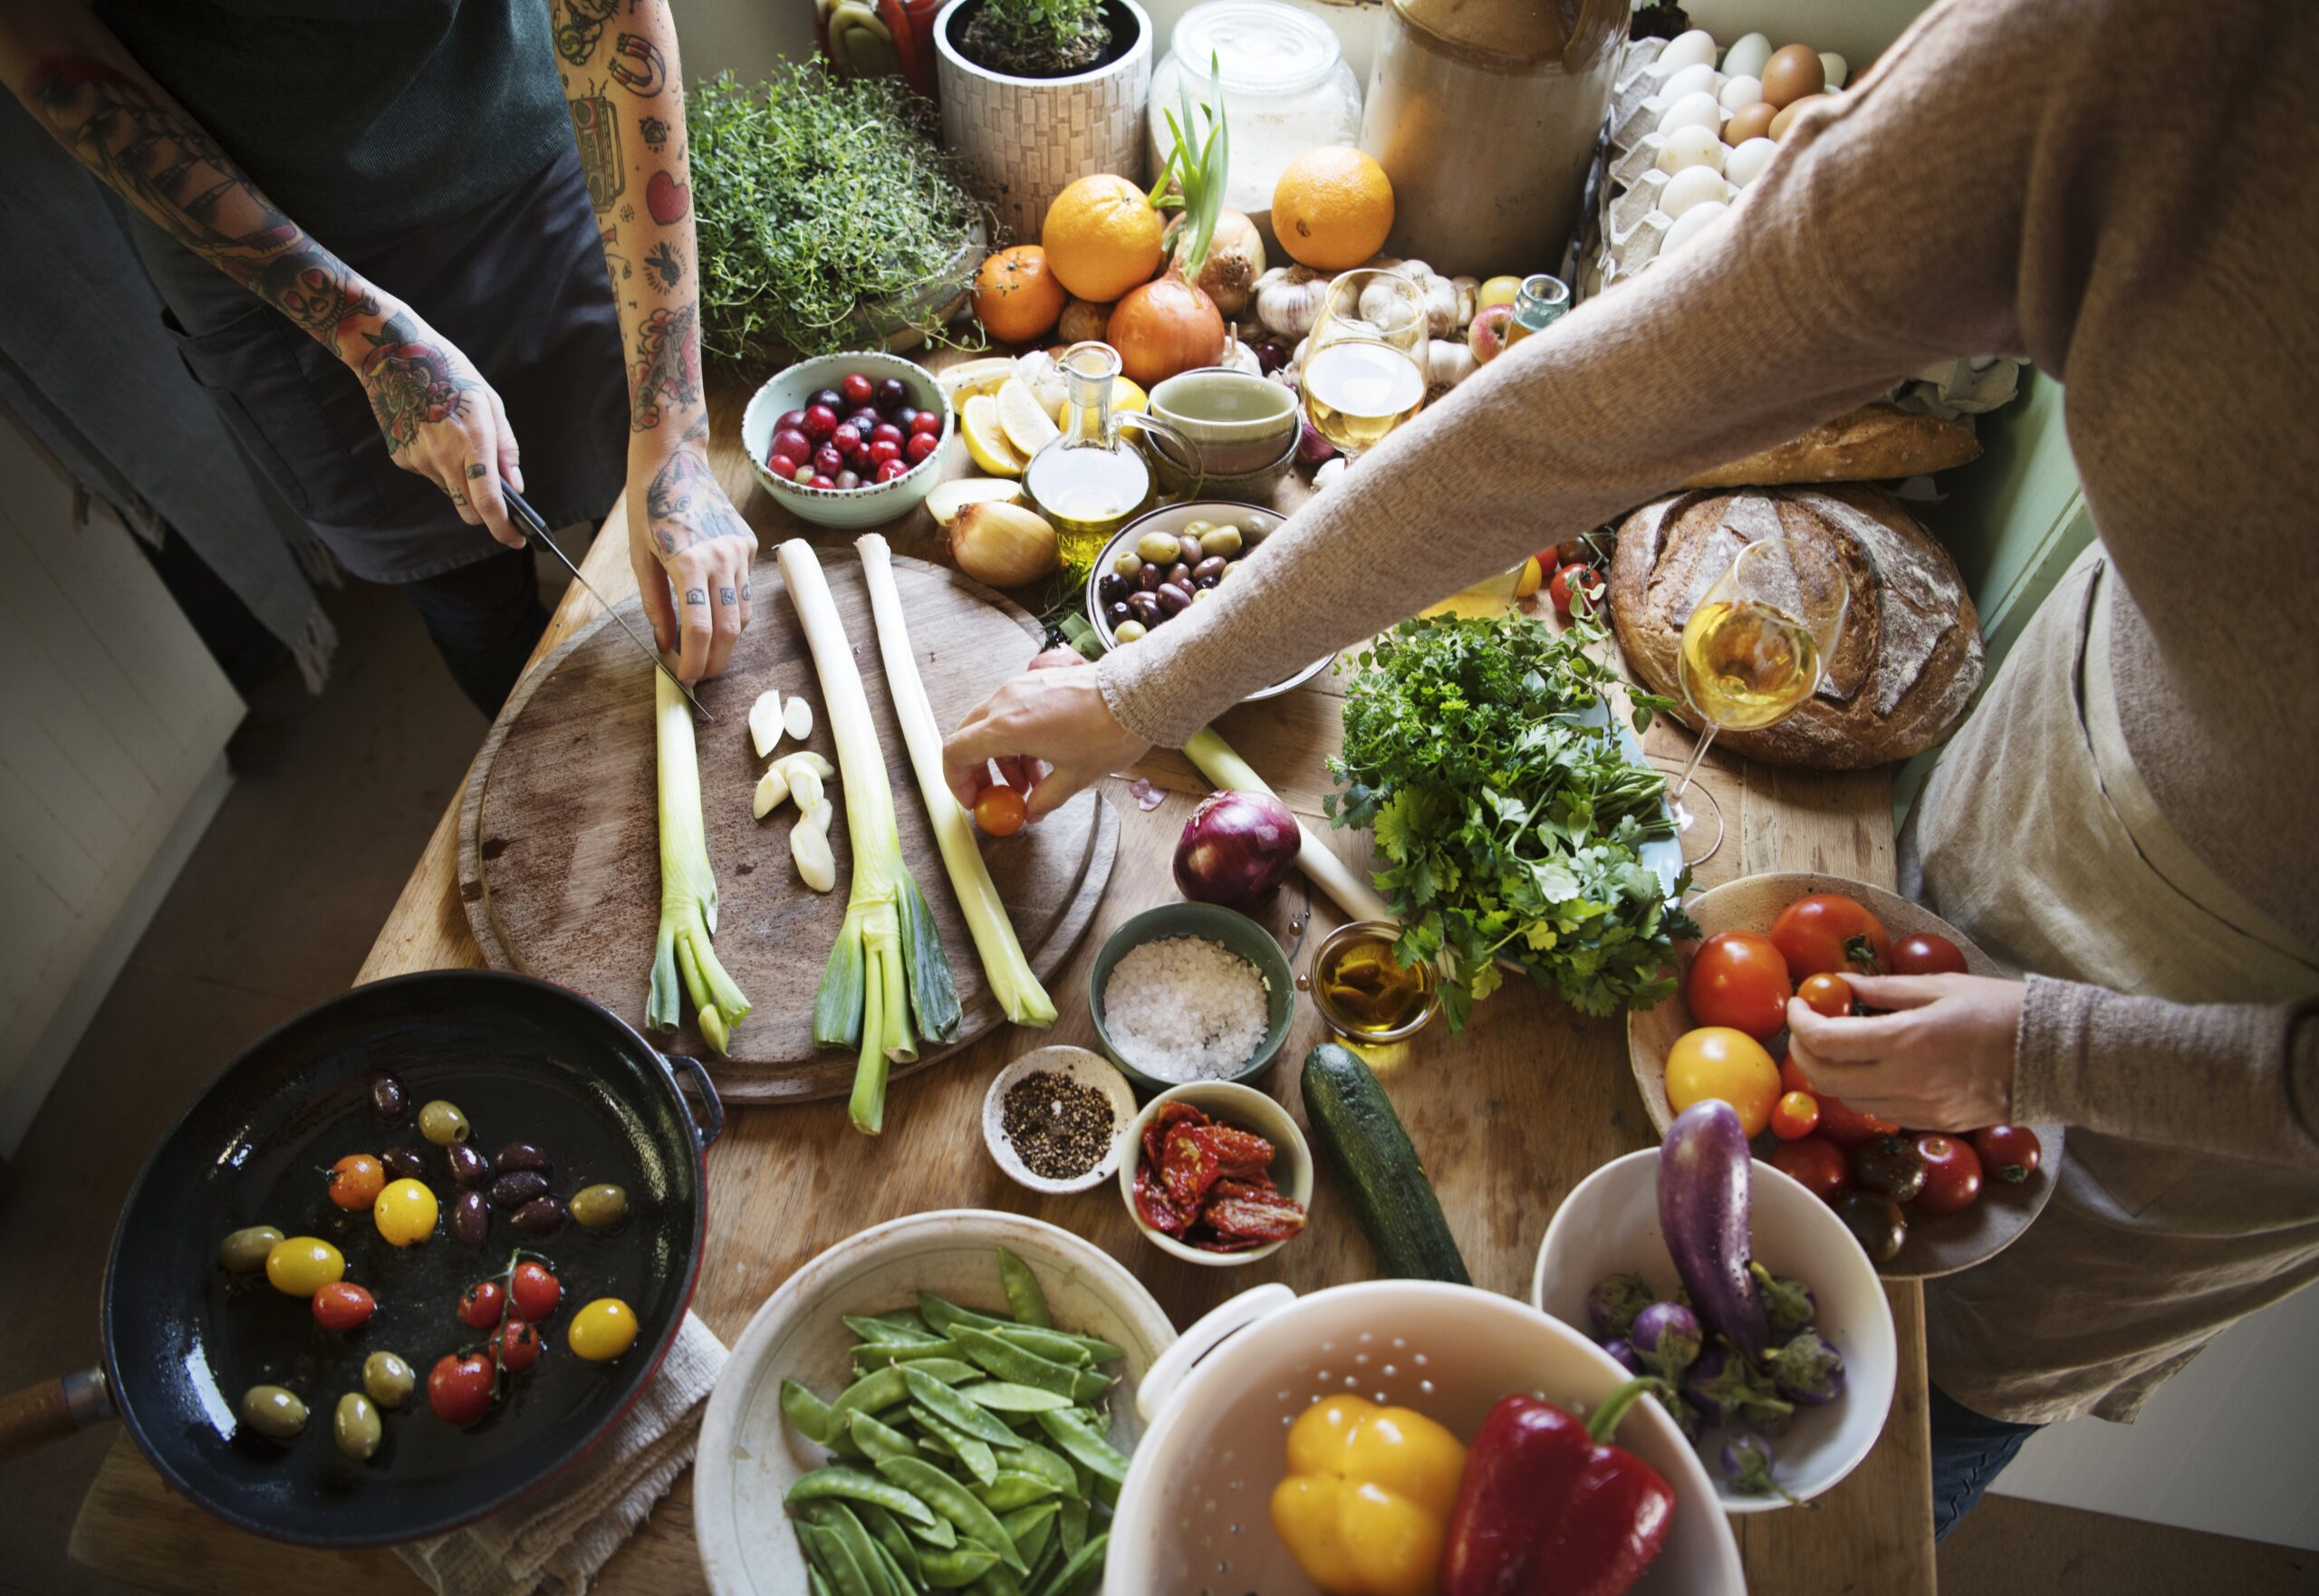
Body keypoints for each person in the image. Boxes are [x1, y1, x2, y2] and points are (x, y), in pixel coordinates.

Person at [942, 0, 2319, 1538]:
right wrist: (1146, 683)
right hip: (2055, 759)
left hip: (2235, 1071)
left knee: (1875, 1409)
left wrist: (2062, 1052)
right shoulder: (2157, 47)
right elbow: (1575, 418)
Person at [0, 0, 757, 715]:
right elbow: (46, 39)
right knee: (456, 567)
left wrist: (676, 432)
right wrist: (368, 337)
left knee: (626, 470)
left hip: (511, 144)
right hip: (251, 231)